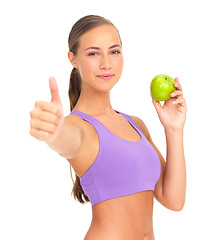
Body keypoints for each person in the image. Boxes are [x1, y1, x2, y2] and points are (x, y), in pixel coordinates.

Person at [30, 15, 187, 240]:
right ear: (73, 59)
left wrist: (174, 129)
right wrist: (53, 131)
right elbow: (66, 139)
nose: (106, 63)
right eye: (93, 53)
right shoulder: (78, 126)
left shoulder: (135, 124)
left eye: (114, 51)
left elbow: (174, 200)